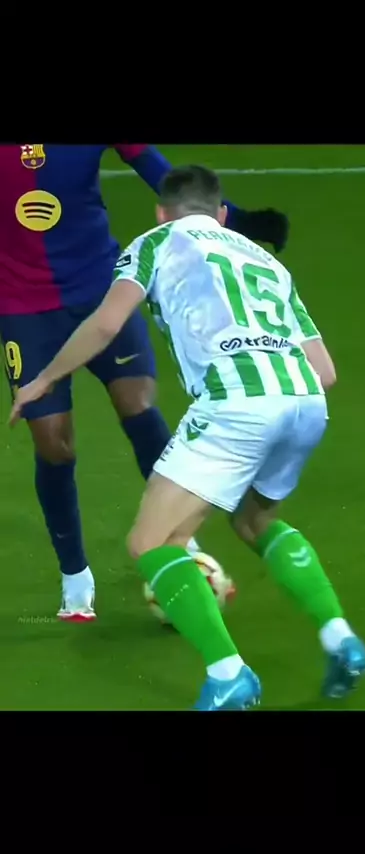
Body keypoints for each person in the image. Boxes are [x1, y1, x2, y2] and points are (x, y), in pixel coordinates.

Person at [10, 165, 365, 710]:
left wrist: (44, 380)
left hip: (237, 404)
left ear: (162, 212)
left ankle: (229, 674)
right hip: (305, 402)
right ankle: (340, 638)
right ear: (222, 214)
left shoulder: (154, 243)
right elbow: (326, 371)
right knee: (254, 521)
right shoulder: (267, 261)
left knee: (152, 543)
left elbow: (106, 324)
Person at [0, 144, 289, 623]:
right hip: (24, 308)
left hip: (100, 287)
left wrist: (235, 219)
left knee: (138, 405)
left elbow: (155, 168)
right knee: (54, 444)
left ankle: (179, 539)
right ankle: (75, 573)